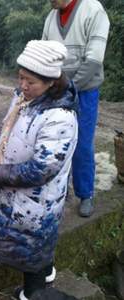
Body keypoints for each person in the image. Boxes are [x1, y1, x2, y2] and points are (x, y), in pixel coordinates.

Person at [0, 40, 78, 300]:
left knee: (32, 248)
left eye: (30, 81)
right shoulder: (24, 97)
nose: (22, 85)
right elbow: (5, 127)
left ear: (51, 83)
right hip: (12, 192)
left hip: (37, 204)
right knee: (32, 249)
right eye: (20, 77)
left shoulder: (60, 118)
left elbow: (41, 170)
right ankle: (44, 276)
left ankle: (33, 293)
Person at [42, 0, 110, 217]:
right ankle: (60, 191)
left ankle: (85, 194)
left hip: (85, 92)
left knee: (81, 145)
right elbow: (43, 54)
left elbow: (94, 60)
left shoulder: (93, 10)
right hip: (56, 91)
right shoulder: (51, 17)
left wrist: (69, 88)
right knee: (55, 142)